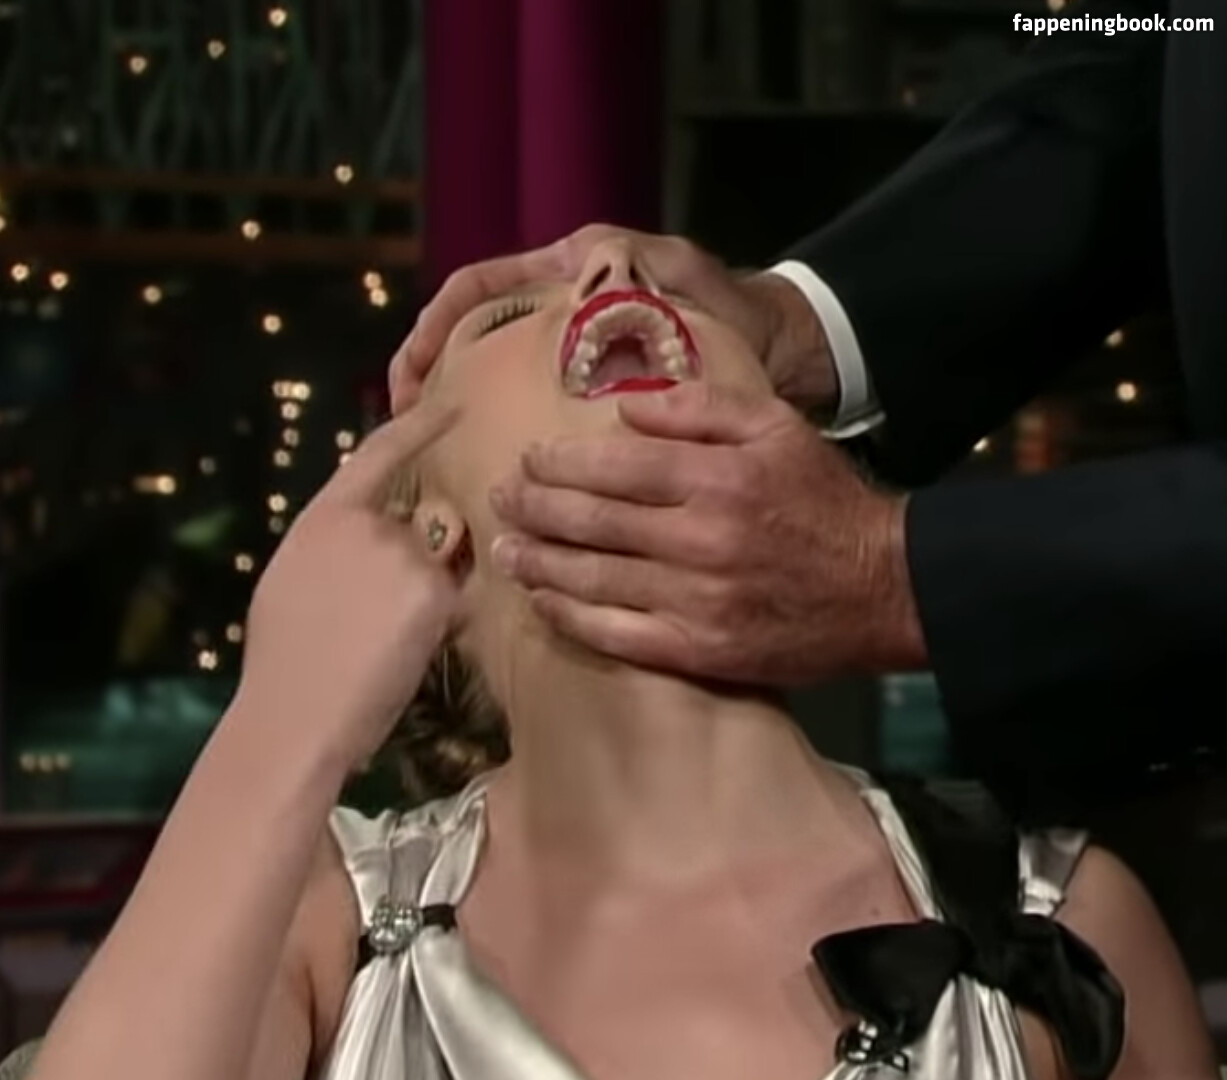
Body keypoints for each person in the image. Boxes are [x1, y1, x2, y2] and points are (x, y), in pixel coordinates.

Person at [12, 240, 1216, 1080]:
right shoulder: (323, 929)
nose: (610, 269)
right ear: (429, 537)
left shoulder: (1063, 928)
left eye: (664, 278)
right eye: (504, 316)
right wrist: (284, 718)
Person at [389, 0, 1227, 812]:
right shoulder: (343, 904)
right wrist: (794, 321)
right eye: (507, 314)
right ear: (438, 553)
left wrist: (900, 572)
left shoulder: (1067, 894)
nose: (611, 256)